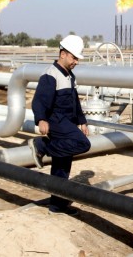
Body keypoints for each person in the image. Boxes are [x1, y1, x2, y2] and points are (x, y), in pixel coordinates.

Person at [28, 34, 91, 216]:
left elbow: (75, 102)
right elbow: (39, 100)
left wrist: (82, 121)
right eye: (74, 57)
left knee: (62, 167)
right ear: (63, 53)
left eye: (77, 58)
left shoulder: (70, 76)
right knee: (83, 144)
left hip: (68, 122)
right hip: (56, 120)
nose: (76, 62)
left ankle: (57, 206)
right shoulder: (50, 75)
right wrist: (41, 119)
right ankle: (43, 145)